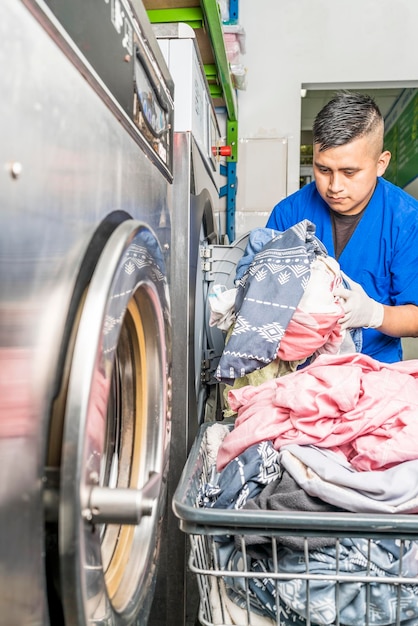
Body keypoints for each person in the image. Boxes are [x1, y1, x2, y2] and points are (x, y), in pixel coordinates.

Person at [266, 90, 418, 363]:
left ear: (381, 163)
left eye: (349, 172)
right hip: (298, 372)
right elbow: (265, 300)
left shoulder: (407, 220)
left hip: (372, 372)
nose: (334, 187)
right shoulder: (288, 214)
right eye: (323, 170)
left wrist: (374, 314)